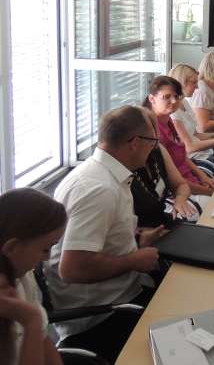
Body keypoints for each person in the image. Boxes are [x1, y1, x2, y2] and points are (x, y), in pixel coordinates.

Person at [45, 105, 168, 363]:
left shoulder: (106, 175)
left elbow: (100, 242)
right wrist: (133, 260)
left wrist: (135, 242)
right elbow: (72, 268)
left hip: (123, 291)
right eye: (151, 142)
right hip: (101, 315)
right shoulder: (97, 188)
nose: (153, 149)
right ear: (135, 143)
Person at [0, 188, 66, 365]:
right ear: (12, 248)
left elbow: (45, 344)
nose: (47, 257)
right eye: (45, 249)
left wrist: (34, 324)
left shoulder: (24, 278)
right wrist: (31, 321)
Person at [144, 76, 214, 201]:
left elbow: (182, 156)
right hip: (179, 193)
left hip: (190, 181)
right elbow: (173, 181)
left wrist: (203, 177)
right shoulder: (153, 131)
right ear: (152, 99)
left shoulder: (168, 120)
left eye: (176, 96)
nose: (173, 101)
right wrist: (209, 192)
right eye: (166, 97)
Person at [131, 110, 199, 228]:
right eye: (150, 140)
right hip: (145, 233)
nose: (154, 144)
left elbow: (181, 185)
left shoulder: (158, 149)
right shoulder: (127, 168)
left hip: (163, 220)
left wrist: (180, 199)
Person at [169, 63, 214, 175]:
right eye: (194, 83)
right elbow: (190, 147)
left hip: (203, 151)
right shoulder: (174, 113)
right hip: (195, 158)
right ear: (181, 83)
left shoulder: (185, 103)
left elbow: (196, 135)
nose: (197, 87)